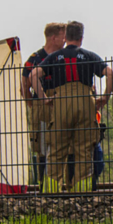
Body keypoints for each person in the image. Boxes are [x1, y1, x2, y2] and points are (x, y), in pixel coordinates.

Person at [30, 21, 113, 192]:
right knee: (84, 150)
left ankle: (51, 193)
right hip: (85, 104)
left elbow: (33, 75)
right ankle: (82, 193)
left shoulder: (55, 57)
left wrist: (44, 98)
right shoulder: (90, 56)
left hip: (61, 104)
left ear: (66, 37)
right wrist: (105, 97)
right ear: (81, 38)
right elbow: (111, 74)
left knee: (57, 149)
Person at [22, 23, 68, 185]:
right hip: (40, 106)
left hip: (60, 103)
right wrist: (32, 105)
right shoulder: (34, 59)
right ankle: (42, 183)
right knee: (41, 146)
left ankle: (60, 182)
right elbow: (24, 86)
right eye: (63, 36)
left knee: (61, 143)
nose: (65, 40)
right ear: (53, 37)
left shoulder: (64, 56)